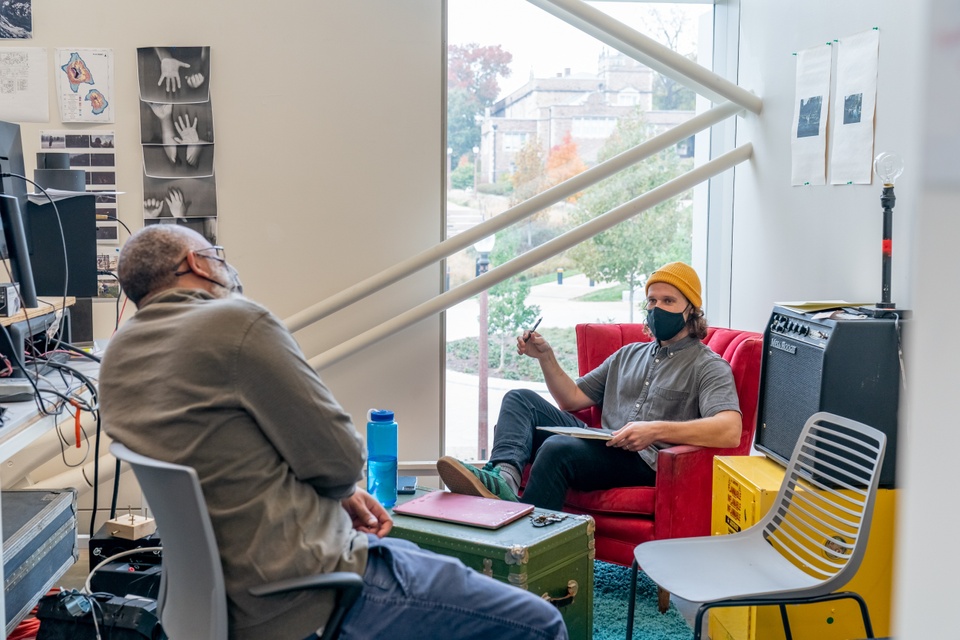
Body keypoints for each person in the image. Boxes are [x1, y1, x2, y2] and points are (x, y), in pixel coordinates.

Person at [98, 225, 567, 640]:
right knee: (539, 622)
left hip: (207, 602)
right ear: (197, 263)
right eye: (216, 254)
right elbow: (341, 459)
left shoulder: (118, 358)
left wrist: (339, 493)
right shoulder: (236, 323)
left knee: (408, 551)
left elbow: (224, 457)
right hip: (308, 589)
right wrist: (340, 485)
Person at [437, 261, 742, 511]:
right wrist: (546, 357)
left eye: (669, 301)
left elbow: (729, 430)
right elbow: (572, 399)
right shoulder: (628, 354)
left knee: (558, 449)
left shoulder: (708, 365)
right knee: (520, 399)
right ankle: (503, 481)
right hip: (602, 442)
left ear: (691, 310)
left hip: (645, 460)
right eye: (652, 300)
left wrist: (654, 430)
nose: (657, 308)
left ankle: (521, 545)